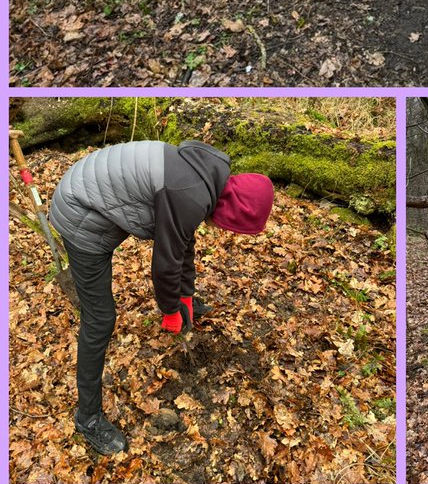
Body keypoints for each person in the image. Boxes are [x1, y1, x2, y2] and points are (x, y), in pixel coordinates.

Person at [48, 140, 274, 454]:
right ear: (235, 213)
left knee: (124, 306)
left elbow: (183, 242)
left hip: (92, 191)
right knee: (99, 319)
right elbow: (166, 263)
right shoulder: (189, 195)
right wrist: (170, 310)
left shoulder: (205, 178)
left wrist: (186, 297)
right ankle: (88, 418)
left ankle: (184, 303)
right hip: (81, 214)